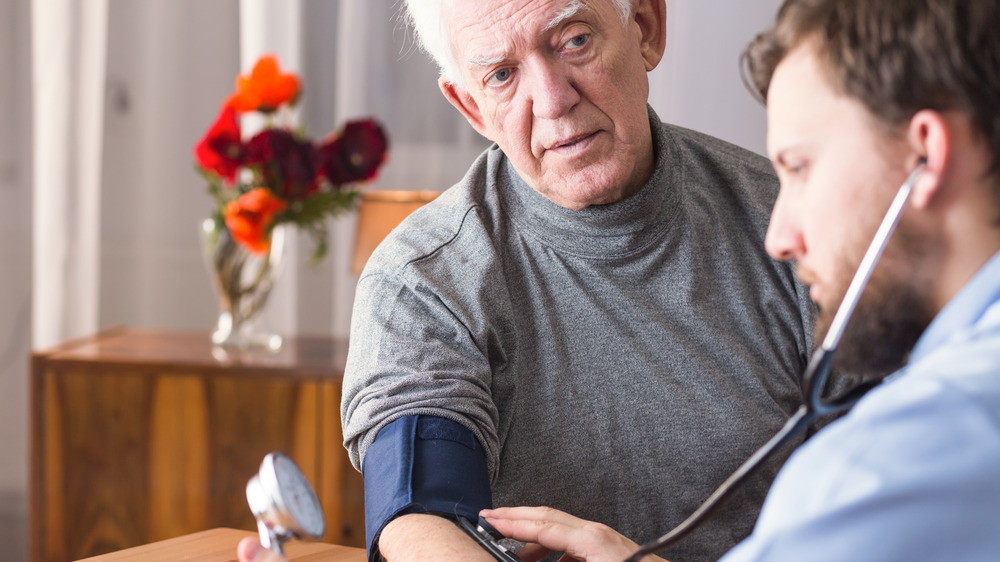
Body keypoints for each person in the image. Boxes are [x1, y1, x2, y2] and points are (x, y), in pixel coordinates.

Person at [237, 1, 816, 561]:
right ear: (471, 107)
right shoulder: (423, 279)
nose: (553, 100)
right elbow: (424, 517)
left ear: (645, 26)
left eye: (575, 41)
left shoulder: (796, 222)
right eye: (503, 74)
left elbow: (891, 495)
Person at [473, 0, 1000, 560]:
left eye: (799, 167)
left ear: (926, 154)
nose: (780, 237)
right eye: (501, 73)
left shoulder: (902, 453)